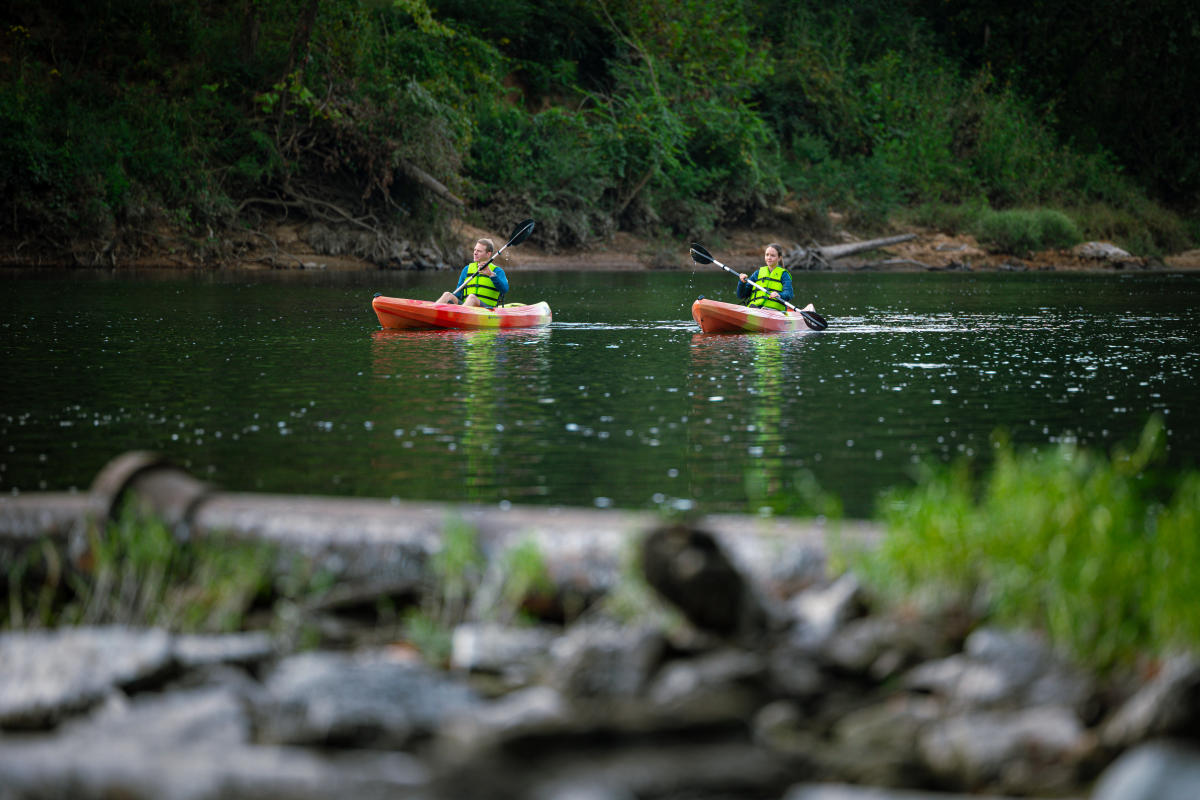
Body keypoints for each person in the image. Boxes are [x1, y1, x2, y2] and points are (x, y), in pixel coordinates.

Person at [437, 238, 509, 308]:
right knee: (447, 295)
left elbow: (504, 289)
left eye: (479, 251)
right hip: (467, 307)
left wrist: (491, 275)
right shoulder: (466, 269)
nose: (475, 253)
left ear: (488, 254)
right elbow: (458, 294)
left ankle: (460, 317)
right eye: (475, 250)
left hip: (488, 309)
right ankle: (432, 311)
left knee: (472, 298)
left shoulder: (497, 271)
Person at [737, 243, 793, 311]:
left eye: (772, 255)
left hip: (774, 311)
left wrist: (779, 295)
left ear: (779, 258)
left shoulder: (784, 275)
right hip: (754, 308)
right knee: (754, 308)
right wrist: (742, 282)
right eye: (767, 255)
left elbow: (789, 294)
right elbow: (741, 295)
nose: (769, 258)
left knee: (764, 309)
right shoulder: (757, 273)